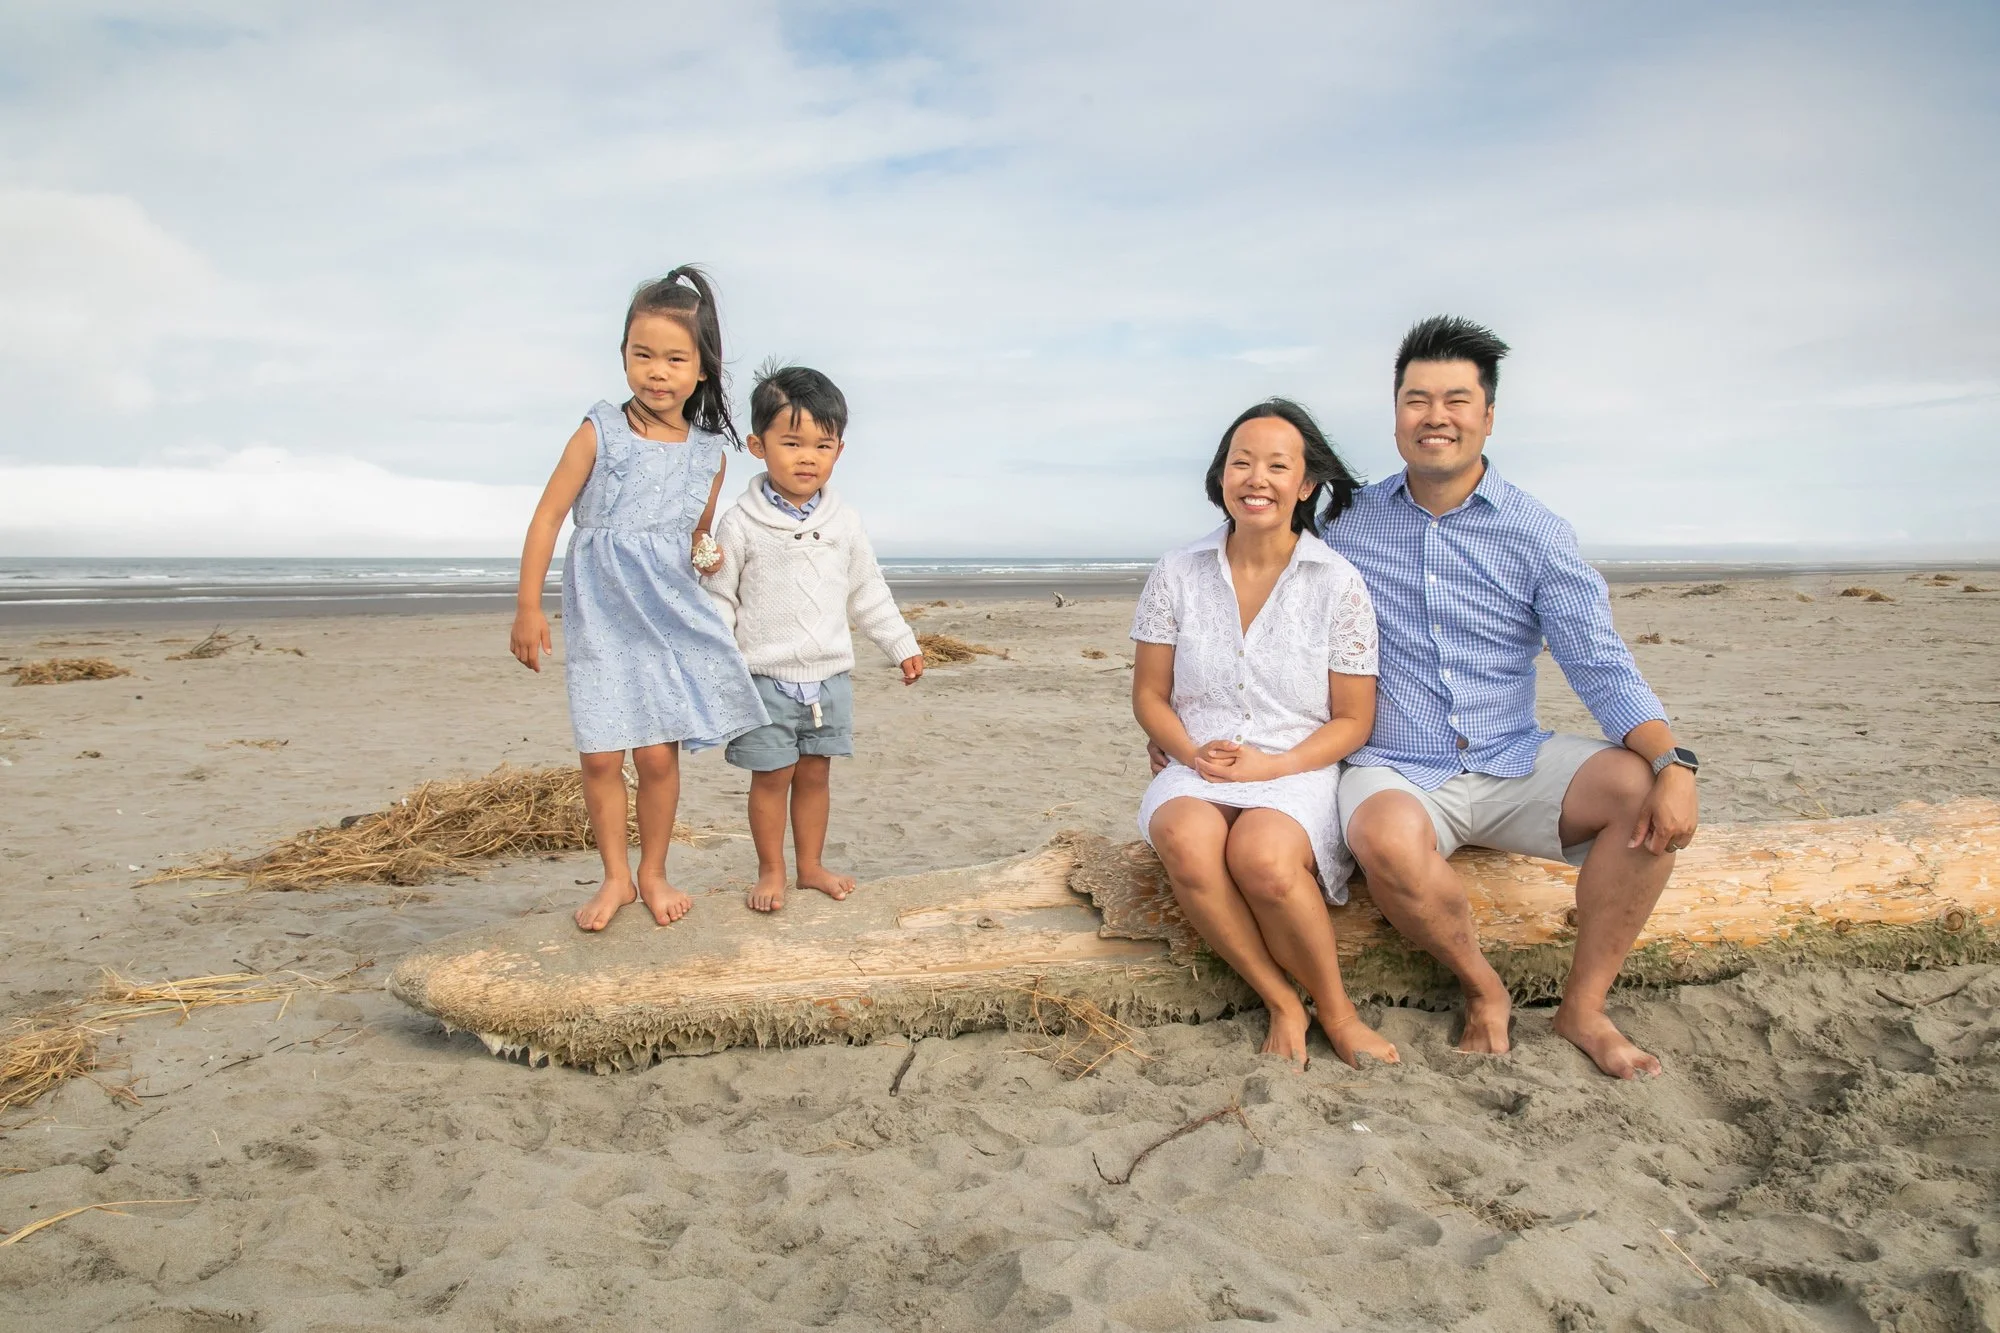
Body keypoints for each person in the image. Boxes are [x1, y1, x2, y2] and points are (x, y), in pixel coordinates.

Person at [1329, 315, 1699, 1079]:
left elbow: (1598, 662)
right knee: (1386, 840)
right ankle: (1483, 988)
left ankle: (1584, 1009)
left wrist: (1674, 760)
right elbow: (1267, 609)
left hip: (1511, 756)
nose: (1437, 416)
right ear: (1395, 413)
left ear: (1488, 415)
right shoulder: (1344, 523)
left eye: (1457, 400)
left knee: (1637, 789)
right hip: (1395, 762)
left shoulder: (1536, 532)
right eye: (1417, 399)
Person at [1131, 399, 1399, 1069]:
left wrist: (1271, 769)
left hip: (1297, 764)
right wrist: (1189, 749)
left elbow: (1352, 720)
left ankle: (1338, 1013)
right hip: (1203, 760)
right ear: (1221, 475)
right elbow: (1148, 695)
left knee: (1262, 858)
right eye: (1241, 462)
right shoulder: (1177, 571)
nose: (1257, 478)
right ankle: (1280, 999)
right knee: (1187, 842)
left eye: (1278, 465)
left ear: (1305, 484)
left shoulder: (1337, 583)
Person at [510, 267, 769, 933]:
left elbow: (697, 538)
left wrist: (708, 551)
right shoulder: (600, 429)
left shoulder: (710, 453)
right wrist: (529, 606)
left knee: (656, 754)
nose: (657, 372)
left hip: (666, 615)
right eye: (641, 354)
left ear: (703, 368)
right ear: (623, 354)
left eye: (675, 358)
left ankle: (652, 870)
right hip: (601, 612)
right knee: (600, 752)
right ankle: (615, 877)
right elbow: (547, 517)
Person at [702, 364, 924, 912]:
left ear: (839, 451)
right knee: (772, 778)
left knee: (816, 776)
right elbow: (719, 601)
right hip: (762, 679)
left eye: (822, 445)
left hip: (829, 679)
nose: (807, 457)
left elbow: (867, 591)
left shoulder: (844, 522)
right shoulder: (740, 523)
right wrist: (717, 670)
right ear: (758, 445)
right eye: (791, 442)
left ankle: (811, 866)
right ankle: (771, 871)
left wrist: (902, 644)